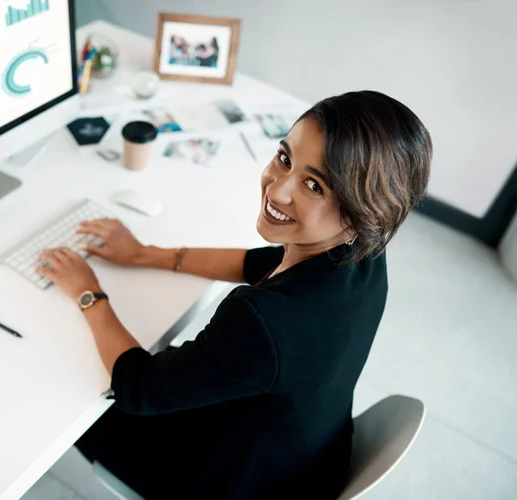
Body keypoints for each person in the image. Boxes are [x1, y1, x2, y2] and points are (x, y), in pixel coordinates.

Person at [36, 90, 432, 499]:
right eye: (285, 158)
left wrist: (88, 291)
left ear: (360, 215)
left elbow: (139, 388)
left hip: (229, 482)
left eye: (314, 185)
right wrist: (144, 254)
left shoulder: (263, 321)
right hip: (307, 460)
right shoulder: (364, 254)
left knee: (66, 395)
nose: (277, 190)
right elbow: (255, 263)